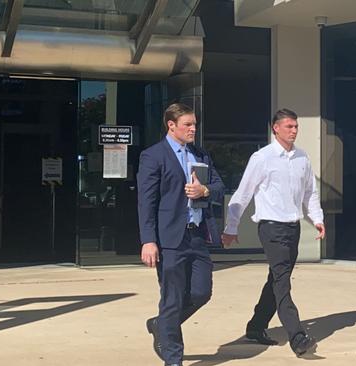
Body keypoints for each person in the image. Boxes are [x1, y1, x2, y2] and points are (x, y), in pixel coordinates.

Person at [221, 108, 325, 357]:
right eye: (289, 126)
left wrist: (318, 218)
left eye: (296, 126)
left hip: (294, 227)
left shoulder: (302, 158)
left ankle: (256, 327)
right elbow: (243, 194)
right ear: (275, 128)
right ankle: (298, 337)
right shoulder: (262, 158)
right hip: (271, 228)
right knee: (282, 282)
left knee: (276, 278)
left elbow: (311, 192)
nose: (294, 131)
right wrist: (231, 227)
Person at [137, 102, 224, 366]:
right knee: (172, 298)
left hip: (197, 236)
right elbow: (146, 201)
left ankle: (160, 324)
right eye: (187, 124)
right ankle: (173, 359)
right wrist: (148, 240)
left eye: (194, 124)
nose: (193, 128)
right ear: (171, 125)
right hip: (169, 240)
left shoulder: (200, 154)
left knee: (201, 292)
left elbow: (220, 187)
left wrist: (204, 191)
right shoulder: (154, 156)